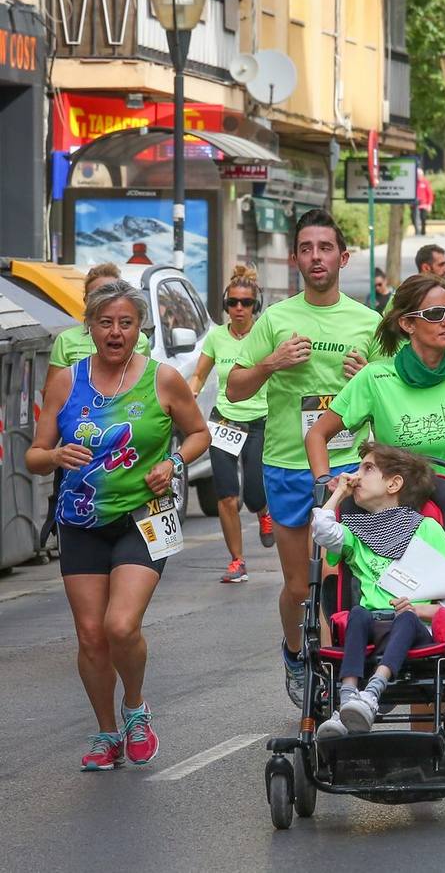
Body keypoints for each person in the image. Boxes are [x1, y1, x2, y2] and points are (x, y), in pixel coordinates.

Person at [25, 278, 209, 770]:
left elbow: (199, 435)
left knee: (120, 625)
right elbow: (34, 455)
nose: (115, 332)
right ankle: (106, 732)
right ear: (90, 328)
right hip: (81, 521)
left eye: (125, 323)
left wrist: (173, 462)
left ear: (139, 328)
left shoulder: (163, 379)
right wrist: (55, 454)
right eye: (105, 323)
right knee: (90, 635)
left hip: (142, 518)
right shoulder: (67, 380)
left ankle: (135, 708)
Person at [227, 208, 383, 708]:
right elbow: (234, 386)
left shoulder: (368, 322)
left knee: (344, 581)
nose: (317, 257)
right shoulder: (274, 319)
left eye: (326, 248)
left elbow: (392, 390)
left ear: (343, 256)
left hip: (350, 470)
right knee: (299, 585)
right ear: (295, 258)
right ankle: (296, 655)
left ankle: (343, 678)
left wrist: (368, 375)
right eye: (307, 249)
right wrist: (271, 363)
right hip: (289, 466)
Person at [304, 271, 445, 587]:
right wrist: (325, 479)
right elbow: (316, 434)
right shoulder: (375, 379)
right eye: (435, 315)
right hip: (386, 521)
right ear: (407, 324)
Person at [312, 444, 445, 738]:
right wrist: (338, 494)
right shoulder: (356, 533)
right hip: (372, 625)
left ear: (394, 483)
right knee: (357, 613)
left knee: (406, 618)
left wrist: (419, 609)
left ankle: (372, 694)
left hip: (414, 628)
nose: (355, 476)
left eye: (366, 469)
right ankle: (347, 700)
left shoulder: (428, 530)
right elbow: (322, 531)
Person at [188, 265, 273, 584]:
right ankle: (237, 560)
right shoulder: (216, 337)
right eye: (233, 302)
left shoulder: (264, 335)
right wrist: (191, 390)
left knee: (252, 494)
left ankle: (263, 511)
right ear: (226, 305)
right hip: (224, 421)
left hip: (260, 421)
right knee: (226, 495)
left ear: (256, 305)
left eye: (246, 303)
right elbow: (199, 373)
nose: (239, 308)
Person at [48, 264, 151, 372]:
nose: (106, 300)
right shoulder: (65, 340)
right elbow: (53, 386)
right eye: (97, 295)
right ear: (86, 300)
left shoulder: (140, 340)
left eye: (112, 293)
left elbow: (147, 381)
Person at [415, 169, 434, 236]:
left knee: (423, 218)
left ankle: (423, 232)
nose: (419, 177)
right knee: (415, 218)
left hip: (424, 205)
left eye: (420, 175)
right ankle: (417, 231)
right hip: (415, 204)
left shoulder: (425, 182)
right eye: (417, 175)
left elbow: (430, 194)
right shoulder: (414, 183)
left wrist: (429, 204)